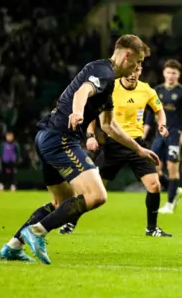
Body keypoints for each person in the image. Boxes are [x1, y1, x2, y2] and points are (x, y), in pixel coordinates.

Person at [0, 34, 159, 264]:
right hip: (61, 138)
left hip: (47, 137)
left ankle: (12, 247)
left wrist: (139, 150)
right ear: (127, 55)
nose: (138, 67)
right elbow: (82, 91)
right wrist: (77, 112)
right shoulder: (103, 71)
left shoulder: (108, 83)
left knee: (61, 203)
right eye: (138, 61)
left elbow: (109, 125)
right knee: (97, 195)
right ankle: (36, 231)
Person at [59, 65, 172, 237]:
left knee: (154, 185)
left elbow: (160, 110)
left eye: (137, 71)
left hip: (137, 145)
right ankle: (70, 222)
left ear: (141, 71)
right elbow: (93, 112)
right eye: (130, 71)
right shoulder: (110, 87)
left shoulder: (147, 90)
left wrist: (162, 124)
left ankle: (152, 229)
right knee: (92, 191)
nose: (133, 75)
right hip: (113, 144)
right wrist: (90, 136)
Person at [146, 59, 182, 214]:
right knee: (154, 168)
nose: (171, 75)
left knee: (172, 168)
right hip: (159, 136)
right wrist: (144, 132)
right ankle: (173, 190)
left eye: (174, 73)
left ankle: (169, 204)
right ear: (164, 73)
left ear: (178, 75)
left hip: (174, 135)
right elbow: (150, 114)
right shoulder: (157, 91)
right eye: (168, 72)